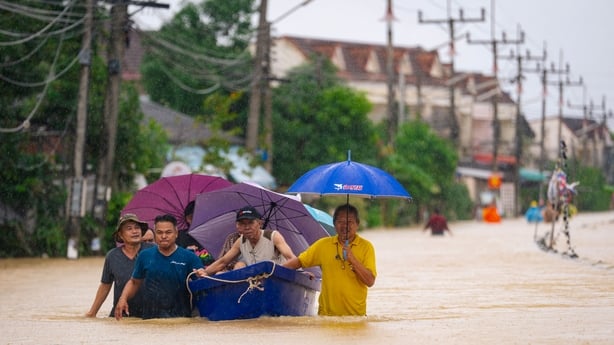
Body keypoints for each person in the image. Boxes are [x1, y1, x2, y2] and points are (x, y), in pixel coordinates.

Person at [283, 204, 376, 316]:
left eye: (349, 222)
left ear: (357, 224)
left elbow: (370, 281)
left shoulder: (366, 247)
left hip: (356, 318)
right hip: (326, 318)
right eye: (340, 222)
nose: (345, 226)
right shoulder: (323, 245)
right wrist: (272, 272)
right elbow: (299, 262)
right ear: (334, 224)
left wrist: (352, 259)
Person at [114, 214, 207, 320]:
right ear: (155, 234)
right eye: (159, 232)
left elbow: (202, 285)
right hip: (150, 320)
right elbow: (134, 282)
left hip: (180, 320)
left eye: (168, 232)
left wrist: (202, 275)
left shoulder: (189, 257)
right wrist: (123, 298)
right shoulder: (145, 256)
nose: (163, 236)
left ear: (176, 233)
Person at [85, 214, 153, 318]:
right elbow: (105, 286)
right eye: (129, 228)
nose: (134, 231)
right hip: (121, 315)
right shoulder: (112, 256)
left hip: (149, 315)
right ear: (121, 235)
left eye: (137, 228)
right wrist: (92, 313)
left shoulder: (153, 251)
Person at [202, 206, 296, 275]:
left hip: (276, 279)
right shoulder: (240, 241)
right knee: (230, 269)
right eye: (242, 224)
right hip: (254, 282)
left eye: (251, 223)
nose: (247, 227)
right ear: (237, 226)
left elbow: (291, 258)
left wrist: (301, 272)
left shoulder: (273, 236)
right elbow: (223, 262)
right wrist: (204, 272)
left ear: (259, 223)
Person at [176, 200, 214, 266]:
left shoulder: (214, 235)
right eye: (191, 217)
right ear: (187, 219)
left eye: (199, 216)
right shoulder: (179, 237)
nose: (196, 220)